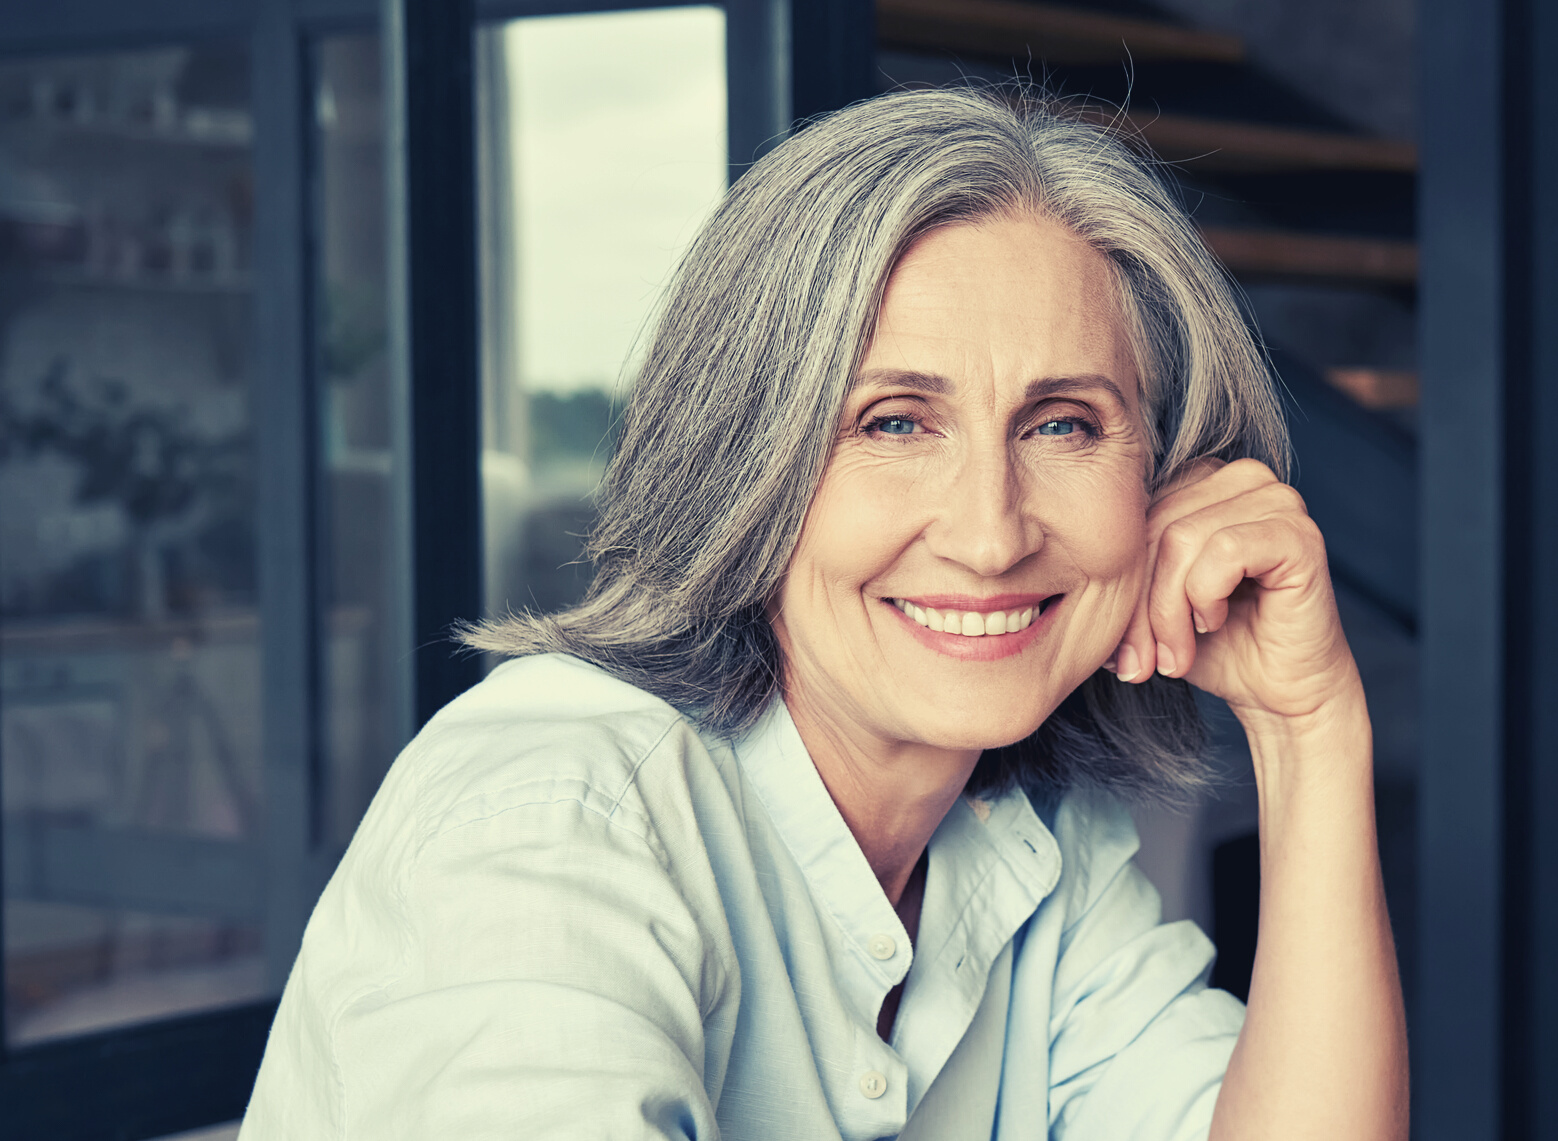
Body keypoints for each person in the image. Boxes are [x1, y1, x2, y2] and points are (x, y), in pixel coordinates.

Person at [240, 84, 1405, 1140]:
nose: (990, 533)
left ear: (1157, 481)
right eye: (893, 422)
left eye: (1062, 425)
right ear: (742, 460)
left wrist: (1309, 729)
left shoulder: (1041, 844)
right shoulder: (553, 817)